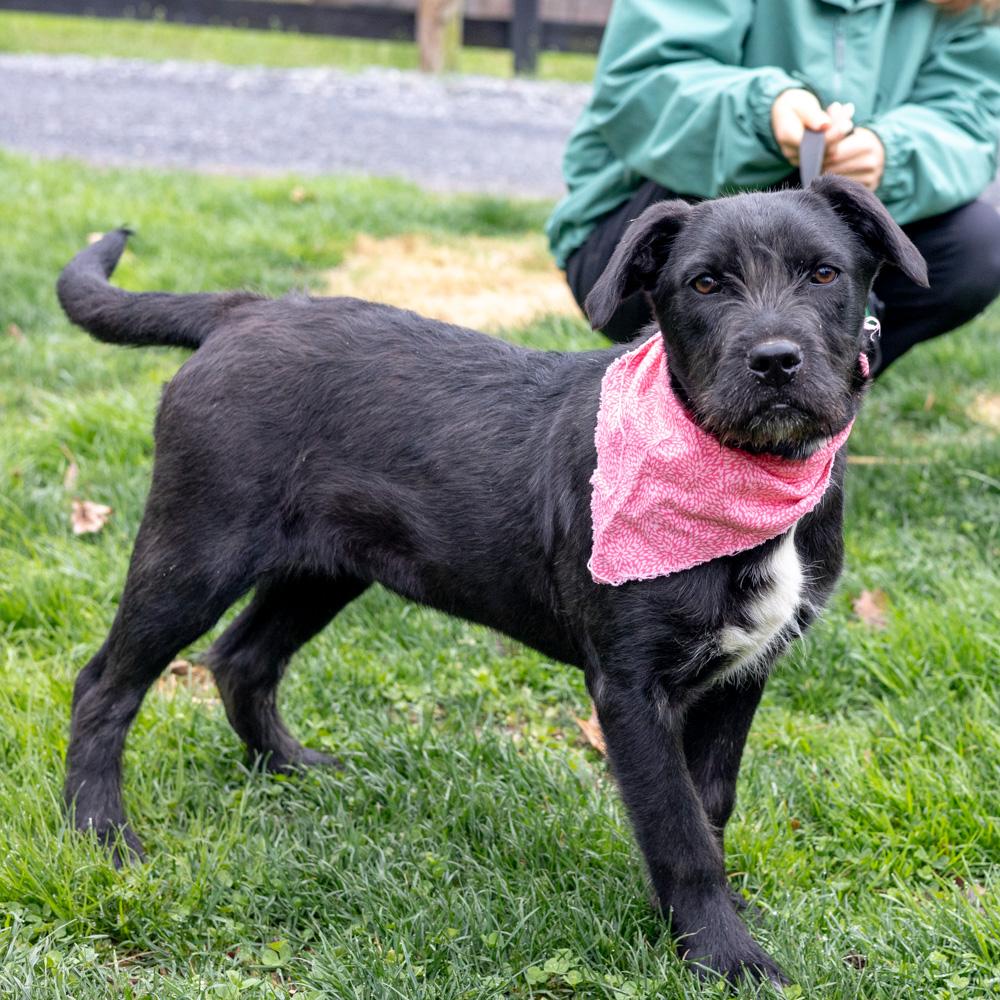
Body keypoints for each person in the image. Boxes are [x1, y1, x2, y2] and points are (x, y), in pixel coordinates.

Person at [547, 0, 1000, 374]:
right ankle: (716, 390)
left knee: (977, 244)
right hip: (647, 208)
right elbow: (640, 83)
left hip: (849, 201)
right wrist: (765, 111)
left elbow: (970, 113)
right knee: (761, 217)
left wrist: (890, 153)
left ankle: (816, 386)